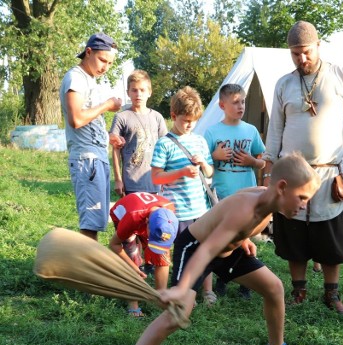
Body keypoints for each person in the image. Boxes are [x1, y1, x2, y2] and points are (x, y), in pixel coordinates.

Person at [102, 154, 321, 345]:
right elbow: (206, 250)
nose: (304, 205)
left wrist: (245, 238)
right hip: (197, 248)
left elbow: (229, 216)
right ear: (282, 187)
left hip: (227, 251)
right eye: (302, 197)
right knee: (177, 314)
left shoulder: (267, 200)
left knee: (274, 287)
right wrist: (182, 289)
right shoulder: (246, 209)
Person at [263, 20, 343, 314]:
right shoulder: (283, 84)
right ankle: (299, 291)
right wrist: (270, 170)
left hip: (329, 173)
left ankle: (331, 294)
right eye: (295, 54)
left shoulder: (339, 76)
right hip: (292, 174)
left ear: (318, 45)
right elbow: (275, 130)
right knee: (293, 233)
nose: (302, 59)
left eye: (306, 52)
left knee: (330, 235)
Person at [151, 86, 217, 306]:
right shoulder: (164, 144)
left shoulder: (199, 140)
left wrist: (204, 164)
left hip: (202, 208)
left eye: (194, 120)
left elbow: (210, 173)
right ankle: (181, 290)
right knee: (181, 253)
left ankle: (206, 291)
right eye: (185, 120)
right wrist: (180, 172)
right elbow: (156, 177)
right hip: (178, 210)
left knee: (205, 251)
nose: (190, 124)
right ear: (173, 116)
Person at [204, 83, 266, 300]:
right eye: (235, 102)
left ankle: (246, 282)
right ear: (222, 105)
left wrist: (252, 161)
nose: (240, 106)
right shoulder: (212, 132)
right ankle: (223, 278)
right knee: (225, 239)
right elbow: (202, 163)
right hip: (223, 195)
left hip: (248, 195)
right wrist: (215, 157)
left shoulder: (250, 131)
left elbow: (263, 161)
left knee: (245, 237)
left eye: (243, 101)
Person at [59, 32, 122, 241]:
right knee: (90, 226)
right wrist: (107, 105)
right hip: (87, 160)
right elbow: (76, 119)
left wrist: (108, 137)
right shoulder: (76, 77)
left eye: (110, 63)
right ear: (88, 52)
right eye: (103, 60)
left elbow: (87, 120)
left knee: (97, 221)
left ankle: (89, 270)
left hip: (97, 157)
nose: (105, 67)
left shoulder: (90, 80)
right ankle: (86, 273)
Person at [108, 192, 178, 317]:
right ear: (146, 223)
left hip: (146, 217)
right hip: (124, 215)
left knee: (162, 255)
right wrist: (133, 267)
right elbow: (114, 245)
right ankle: (133, 306)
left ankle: (161, 296)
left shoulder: (170, 212)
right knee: (132, 255)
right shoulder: (132, 218)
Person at [110, 70, 167, 197]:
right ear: (128, 93)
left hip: (154, 180)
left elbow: (165, 149)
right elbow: (115, 150)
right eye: (134, 90)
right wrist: (118, 180)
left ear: (149, 92)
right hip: (131, 182)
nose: (138, 94)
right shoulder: (121, 117)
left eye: (142, 90)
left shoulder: (157, 117)